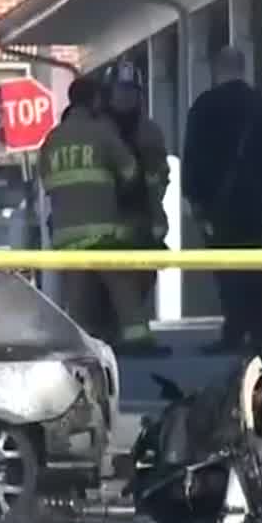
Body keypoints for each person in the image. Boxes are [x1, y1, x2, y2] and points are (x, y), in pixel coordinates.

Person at [37, 75, 168, 357]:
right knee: (124, 289)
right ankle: (137, 342)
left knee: (79, 300)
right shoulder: (101, 132)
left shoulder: (52, 139)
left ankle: (85, 350)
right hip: (104, 232)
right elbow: (130, 174)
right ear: (96, 100)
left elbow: (47, 182)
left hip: (66, 235)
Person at [182, 45, 262, 353]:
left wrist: (195, 199)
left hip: (217, 205)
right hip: (253, 203)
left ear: (217, 71)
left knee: (227, 269)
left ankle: (235, 329)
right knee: (254, 264)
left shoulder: (204, 106)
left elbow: (193, 156)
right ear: (244, 69)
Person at [103, 59, 172, 325]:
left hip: (142, 215)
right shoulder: (101, 130)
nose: (125, 98)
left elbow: (160, 176)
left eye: (131, 92)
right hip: (109, 217)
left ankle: (130, 327)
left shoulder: (149, 130)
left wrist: (157, 216)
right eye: (121, 91)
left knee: (143, 276)